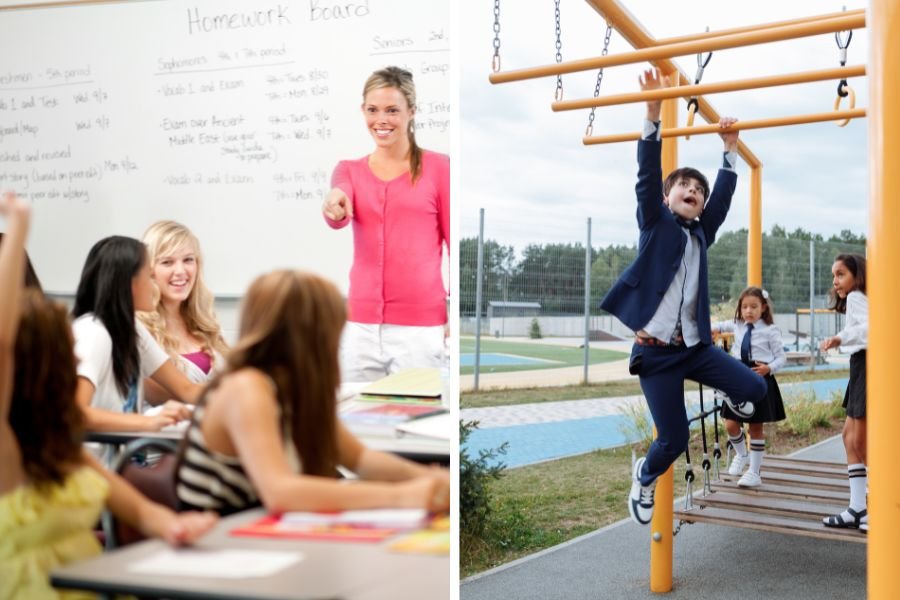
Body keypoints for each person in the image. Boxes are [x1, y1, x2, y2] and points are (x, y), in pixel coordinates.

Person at [0, 192, 217, 599]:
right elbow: (3, 341)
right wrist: (19, 227)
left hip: (92, 582)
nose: (73, 341)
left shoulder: (56, 443)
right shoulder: (7, 445)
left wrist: (169, 525)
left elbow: (132, 505)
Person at [599, 68, 767, 526]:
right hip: (655, 355)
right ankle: (646, 476)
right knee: (672, 439)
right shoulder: (655, 225)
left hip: (695, 349)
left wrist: (729, 151)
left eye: (699, 190)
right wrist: (653, 113)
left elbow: (723, 202)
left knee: (754, 387)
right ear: (668, 197)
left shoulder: (701, 235)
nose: (693, 192)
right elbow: (646, 175)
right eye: (685, 188)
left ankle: (733, 419)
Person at [174, 270, 450, 516]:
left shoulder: (291, 390)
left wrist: (430, 479)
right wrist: (403, 496)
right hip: (222, 541)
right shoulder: (247, 388)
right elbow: (280, 492)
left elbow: (361, 459)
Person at [322, 66, 449, 382]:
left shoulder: (439, 168)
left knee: (415, 422)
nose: (382, 119)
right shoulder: (348, 170)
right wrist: (334, 205)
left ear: (411, 112)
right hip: (359, 328)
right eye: (373, 110)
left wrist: (453, 317)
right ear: (362, 111)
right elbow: (338, 205)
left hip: (419, 331)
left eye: (392, 110)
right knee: (357, 424)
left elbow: (453, 243)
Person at [72, 236, 202, 463]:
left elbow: (186, 389)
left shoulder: (131, 329)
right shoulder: (94, 333)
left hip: (120, 470)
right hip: (89, 474)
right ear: (130, 284)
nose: (155, 286)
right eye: (150, 277)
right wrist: (151, 422)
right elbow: (74, 412)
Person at [138, 221, 228, 405]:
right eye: (167, 262)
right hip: (160, 432)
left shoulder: (206, 321)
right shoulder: (137, 328)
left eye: (188, 260)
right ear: (149, 270)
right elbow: (169, 395)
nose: (180, 271)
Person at [712, 287, 787, 488]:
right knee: (730, 423)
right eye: (744, 307)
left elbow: (781, 357)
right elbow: (718, 326)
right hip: (738, 376)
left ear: (763, 308)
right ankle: (741, 455)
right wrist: (709, 329)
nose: (748, 311)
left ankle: (754, 472)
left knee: (755, 426)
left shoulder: (770, 330)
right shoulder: (737, 324)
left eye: (753, 307)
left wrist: (768, 368)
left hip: (759, 375)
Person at [820, 254, 868, 532]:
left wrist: (840, 338)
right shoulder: (858, 298)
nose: (835, 282)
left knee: (861, 442)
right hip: (860, 365)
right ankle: (857, 507)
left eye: (840, 275)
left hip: (866, 363)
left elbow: (868, 329)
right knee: (849, 437)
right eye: (833, 276)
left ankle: (882, 504)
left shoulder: (856, 297)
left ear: (856, 275)